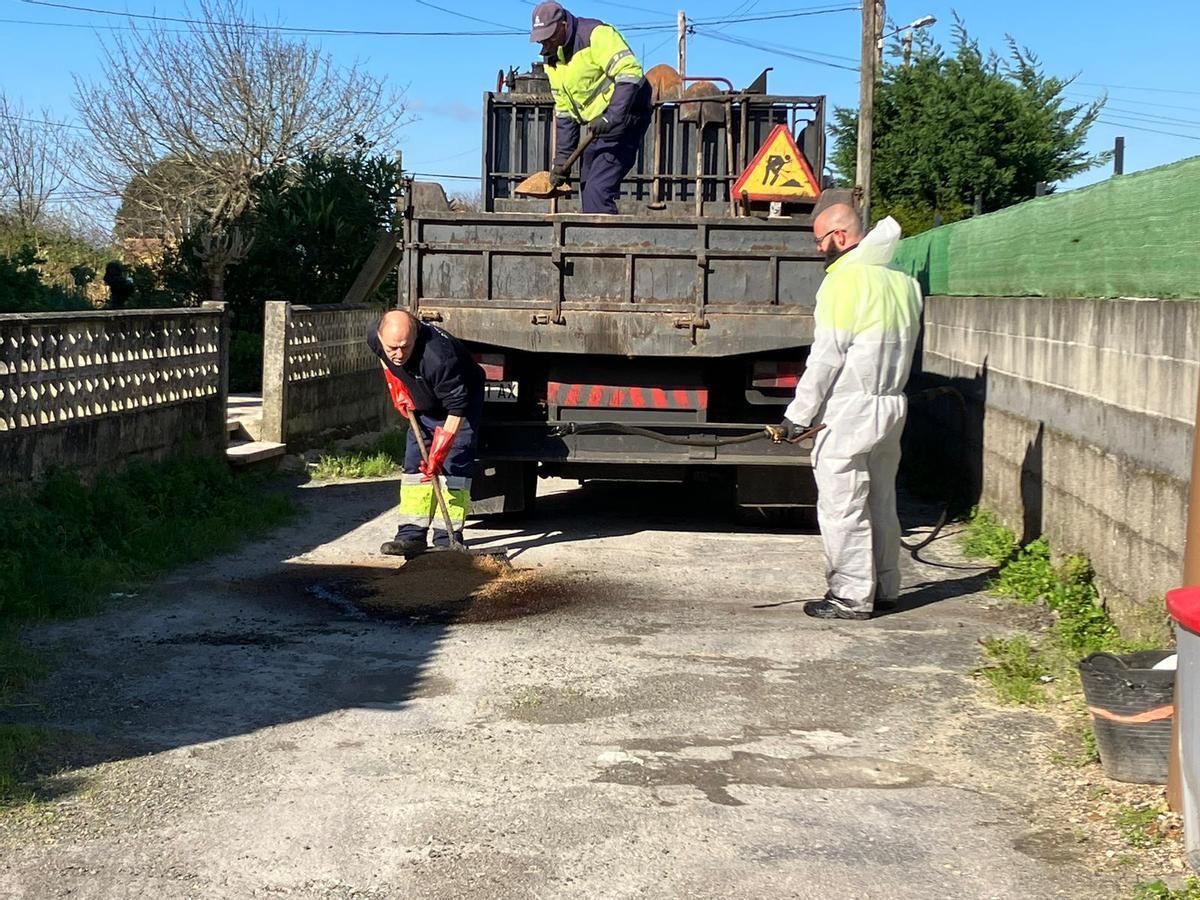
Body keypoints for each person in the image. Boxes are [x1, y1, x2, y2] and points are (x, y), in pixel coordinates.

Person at [769, 203, 923, 620]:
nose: (820, 250)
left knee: (843, 505)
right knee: (881, 500)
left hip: (852, 408)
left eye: (820, 241)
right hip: (892, 403)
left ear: (839, 237)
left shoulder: (844, 283)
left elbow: (826, 357)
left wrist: (798, 415)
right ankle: (886, 587)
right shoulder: (904, 282)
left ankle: (851, 596)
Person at [367, 311, 485, 556]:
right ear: (380, 336)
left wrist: (440, 451)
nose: (398, 354)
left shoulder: (438, 357)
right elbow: (384, 360)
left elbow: (457, 407)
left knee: (453, 467)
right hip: (424, 399)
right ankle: (411, 535)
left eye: (405, 347)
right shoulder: (375, 338)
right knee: (414, 465)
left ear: (416, 335)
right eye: (392, 348)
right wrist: (396, 386)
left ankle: (448, 538)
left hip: (458, 406)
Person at [530, 1, 652, 215]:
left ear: (564, 24)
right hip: (599, 123)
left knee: (598, 188)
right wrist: (561, 161)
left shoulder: (596, 35)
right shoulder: (553, 60)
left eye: (549, 35)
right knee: (587, 187)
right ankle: (596, 241)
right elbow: (565, 112)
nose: (545, 43)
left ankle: (606, 245)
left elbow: (630, 72)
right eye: (542, 38)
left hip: (627, 111)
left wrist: (612, 116)